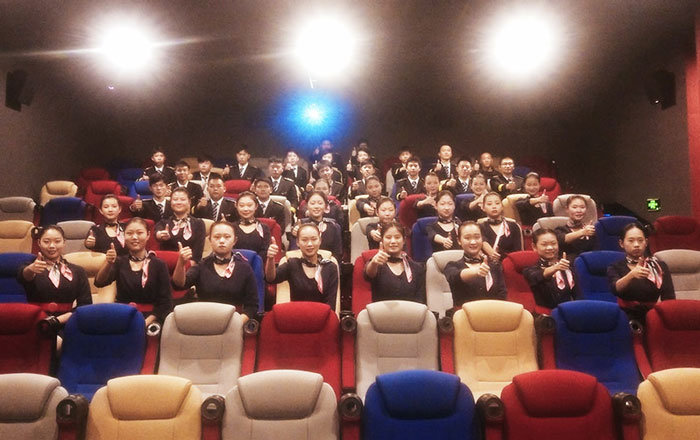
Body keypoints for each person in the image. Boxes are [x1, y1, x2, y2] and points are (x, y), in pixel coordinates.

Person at [173, 221, 258, 319]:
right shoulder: (202, 265)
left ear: (235, 241)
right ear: (210, 240)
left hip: (234, 320)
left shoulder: (244, 268)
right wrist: (181, 263)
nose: (222, 241)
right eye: (217, 237)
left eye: (227, 237)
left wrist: (238, 322)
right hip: (205, 318)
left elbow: (252, 306)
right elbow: (179, 285)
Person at [95, 218, 173, 325]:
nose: (134, 237)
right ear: (124, 235)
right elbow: (99, 282)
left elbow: (165, 303)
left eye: (139, 233)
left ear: (148, 235)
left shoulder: (159, 265)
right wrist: (108, 263)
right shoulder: (120, 262)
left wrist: (144, 323)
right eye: (129, 233)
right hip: (123, 317)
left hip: (151, 320)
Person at [19, 225, 92, 324]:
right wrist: (31, 269)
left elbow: (85, 305)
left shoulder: (78, 271)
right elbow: (24, 275)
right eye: (46, 242)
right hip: (35, 321)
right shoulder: (30, 267)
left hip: (68, 322)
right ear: (39, 243)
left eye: (57, 241)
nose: (52, 246)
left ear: (64, 242)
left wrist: (58, 321)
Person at [607, 222, 675, 322]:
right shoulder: (615, 267)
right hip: (625, 316)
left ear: (646, 242)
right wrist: (631, 275)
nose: (636, 245)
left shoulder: (659, 266)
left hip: (654, 315)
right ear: (621, 243)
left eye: (640, 240)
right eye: (631, 241)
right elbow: (615, 289)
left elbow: (669, 298)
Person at [266, 224, 338, 308]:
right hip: (297, 313)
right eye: (304, 240)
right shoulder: (292, 264)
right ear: (297, 242)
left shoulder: (330, 267)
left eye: (314, 239)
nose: (309, 244)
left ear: (320, 241)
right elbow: (271, 278)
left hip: (323, 314)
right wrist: (270, 258)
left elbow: (331, 305)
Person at [444, 222, 506, 310]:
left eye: (477, 237)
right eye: (467, 238)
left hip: (494, 313)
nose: (473, 242)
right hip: (465, 315)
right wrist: (476, 272)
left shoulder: (494, 266)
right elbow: (456, 277)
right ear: (459, 241)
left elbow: (502, 295)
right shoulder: (452, 266)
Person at [364, 221, 426, 303]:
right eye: (388, 237)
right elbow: (369, 273)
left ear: (404, 240)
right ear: (382, 240)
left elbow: (421, 302)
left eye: (397, 237)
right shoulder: (376, 263)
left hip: (410, 311)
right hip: (381, 311)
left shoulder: (417, 268)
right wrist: (374, 263)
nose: (393, 241)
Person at [524, 228, 580, 310]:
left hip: (575, 308)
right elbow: (540, 275)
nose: (550, 247)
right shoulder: (530, 269)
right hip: (549, 313)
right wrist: (556, 267)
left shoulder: (569, 263)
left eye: (553, 243)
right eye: (544, 244)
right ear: (534, 247)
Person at [154, 187, 206, 262]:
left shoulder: (199, 224)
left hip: (190, 265)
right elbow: (157, 232)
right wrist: (160, 235)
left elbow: (197, 255)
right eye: (175, 200)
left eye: (182, 199)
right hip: (167, 263)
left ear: (189, 202)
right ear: (170, 202)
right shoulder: (163, 222)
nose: (178, 202)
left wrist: (186, 265)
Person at [293, 191, 342, 261]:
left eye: (320, 203)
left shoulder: (334, 227)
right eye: (312, 203)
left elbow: (337, 255)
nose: (316, 206)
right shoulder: (299, 225)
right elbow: (294, 253)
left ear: (326, 206)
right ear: (307, 206)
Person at [480, 192, 523, 260]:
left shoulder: (514, 226)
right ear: (483, 207)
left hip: (509, 262)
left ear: (502, 206)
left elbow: (519, 252)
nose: (494, 206)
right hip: (487, 264)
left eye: (497, 203)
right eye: (489, 204)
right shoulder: (479, 227)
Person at [554, 195, 597, 261]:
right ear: (567, 209)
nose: (579, 210)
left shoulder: (592, 229)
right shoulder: (560, 230)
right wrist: (583, 232)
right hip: (569, 264)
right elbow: (563, 239)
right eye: (574, 207)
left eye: (582, 207)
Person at [232, 191, 271, 261]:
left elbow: (265, 252)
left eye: (249, 205)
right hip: (234, 264)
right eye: (241, 205)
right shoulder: (231, 228)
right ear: (236, 206)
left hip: (257, 264)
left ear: (256, 206)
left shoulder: (264, 228)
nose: (245, 209)